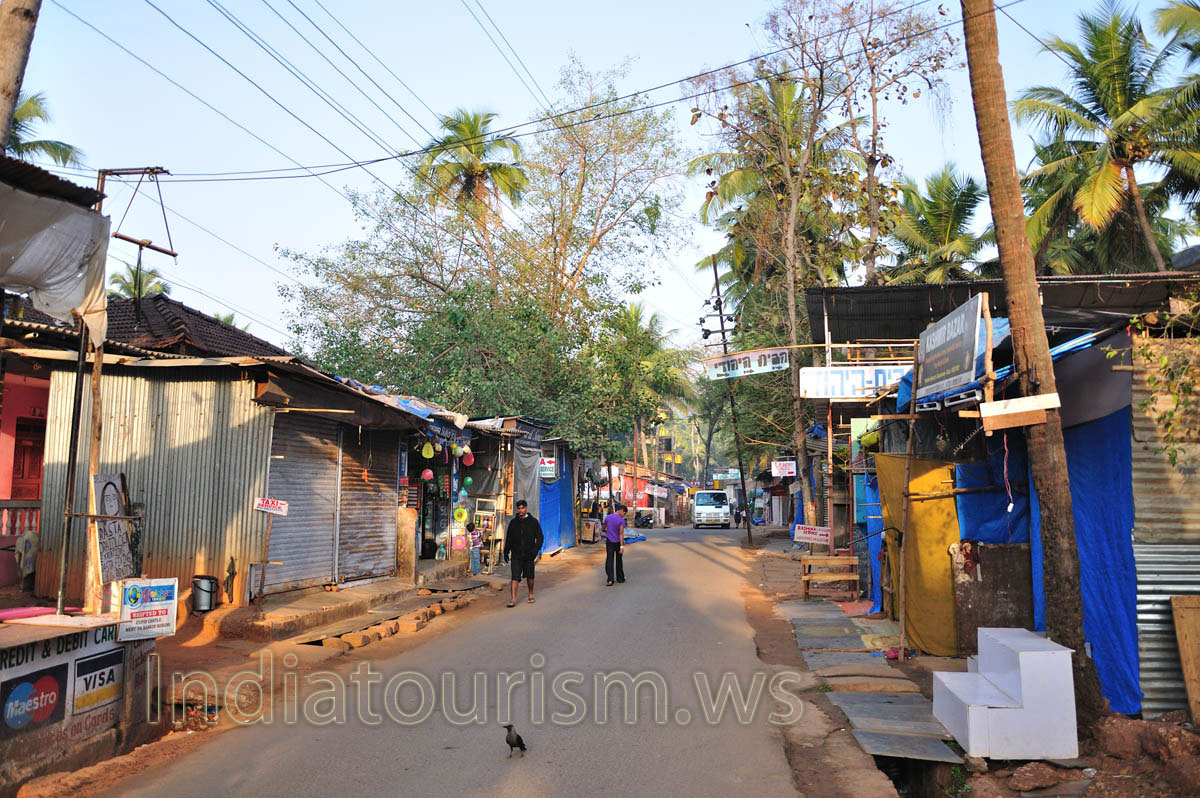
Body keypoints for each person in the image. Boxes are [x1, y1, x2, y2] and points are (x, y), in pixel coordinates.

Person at [503, 499, 543, 607]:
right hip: (516, 554)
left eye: (522, 508)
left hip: (529, 554)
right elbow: (509, 538)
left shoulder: (533, 522)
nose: (521, 510)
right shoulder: (513, 523)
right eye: (519, 508)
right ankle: (513, 599)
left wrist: (535, 550)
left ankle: (530, 594)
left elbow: (540, 537)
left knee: (530, 576)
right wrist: (506, 551)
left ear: (526, 508)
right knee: (515, 577)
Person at [603, 504, 627, 586]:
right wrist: (622, 546)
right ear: (622, 510)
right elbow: (621, 533)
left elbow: (603, 528)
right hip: (618, 542)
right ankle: (620, 578)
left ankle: (610, 580)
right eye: (624, 513)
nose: (624, 515)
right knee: (619, 560)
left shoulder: (608, 517)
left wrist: (608, 531)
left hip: (609, 542)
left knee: (609, 559)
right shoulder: (621, 520)